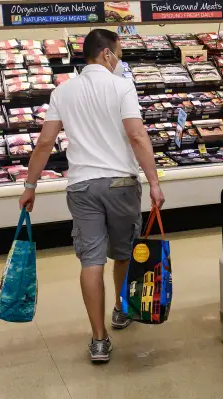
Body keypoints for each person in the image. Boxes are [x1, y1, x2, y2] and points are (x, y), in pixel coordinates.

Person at [18, 29, 165, 363]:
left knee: (91, 261)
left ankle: (99, 339)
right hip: (120, 184)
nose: (121, 59)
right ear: (106, 54)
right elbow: (137, 136)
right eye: (120, 53)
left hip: (82, 185)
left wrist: (30, 186)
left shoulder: (63, 91)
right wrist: (154, 181)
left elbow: (44, 143)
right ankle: (119, 309)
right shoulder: (121, 86)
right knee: (124, 251)